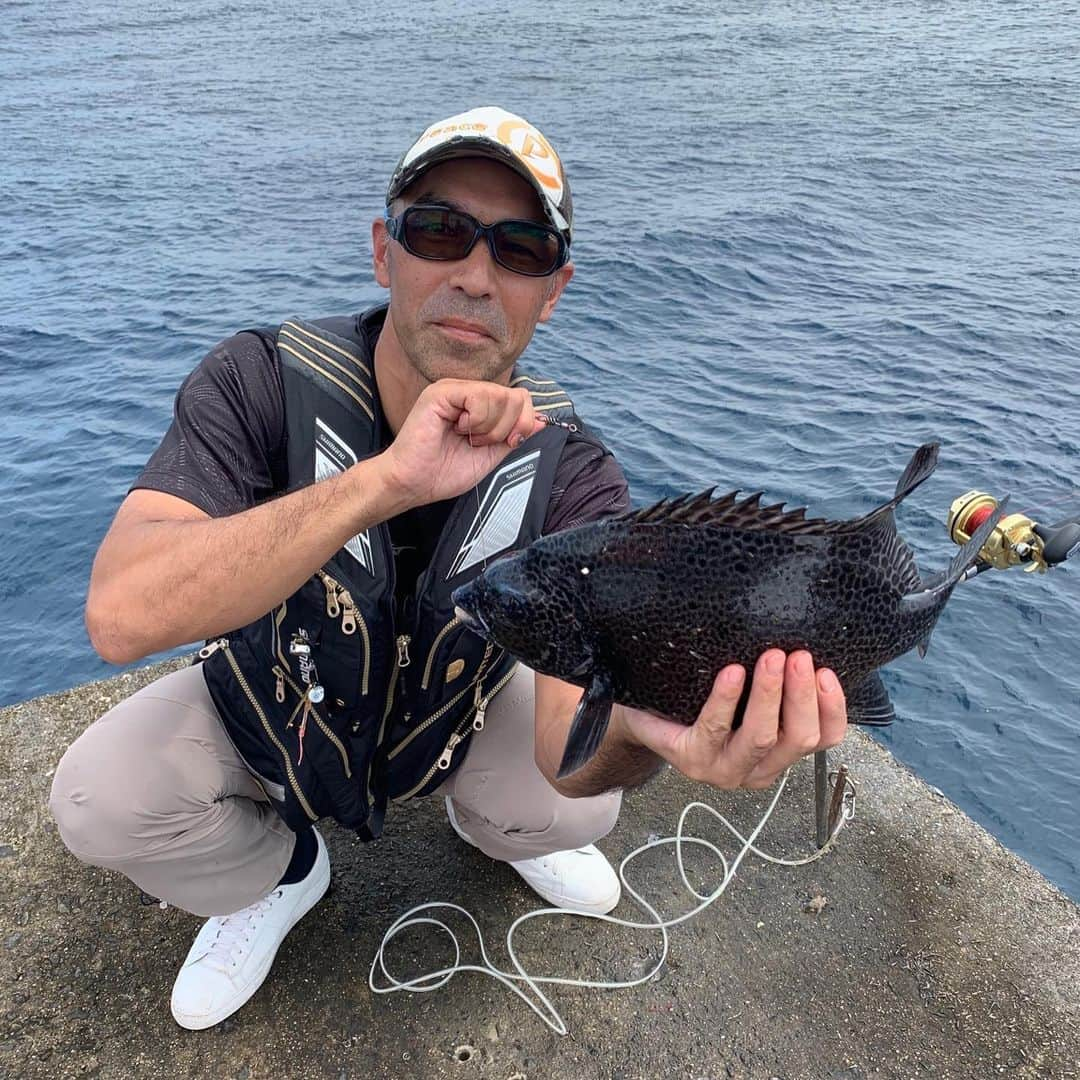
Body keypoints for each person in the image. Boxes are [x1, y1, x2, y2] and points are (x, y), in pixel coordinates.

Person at [49, 106, 848, 1031]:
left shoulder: (576, 472)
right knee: (101, 800)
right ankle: (282, 874)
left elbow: (569, 740)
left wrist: (657, 740)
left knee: (577, 809)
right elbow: (119, 611)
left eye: (519, 250)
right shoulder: (257, 381)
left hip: (452, 717)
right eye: (439, 231)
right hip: (275, 701)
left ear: (553, 291)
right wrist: (384, 483)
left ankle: (487, 827)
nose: (475, 275)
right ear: (385, 252)